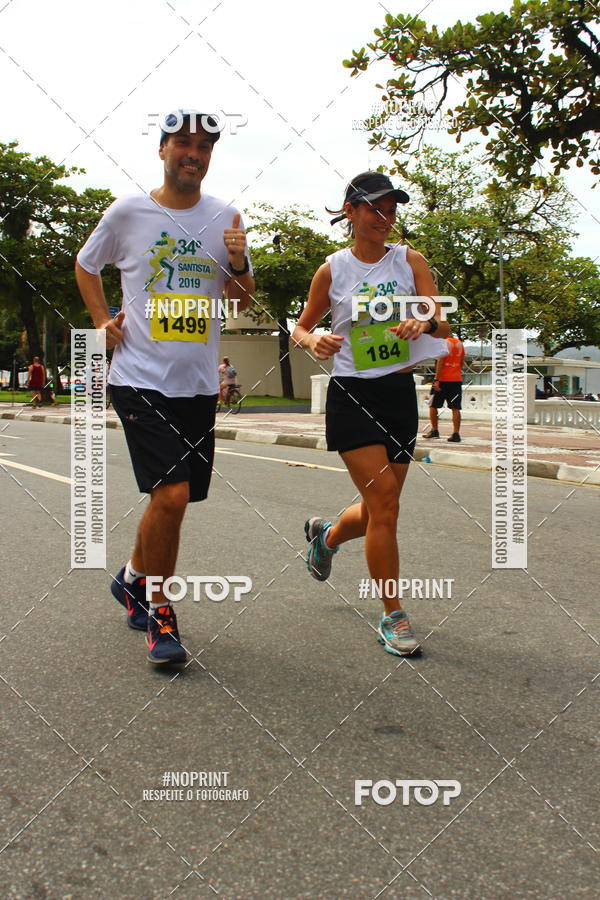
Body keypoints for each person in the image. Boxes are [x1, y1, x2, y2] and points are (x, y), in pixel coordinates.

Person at [75, 108, 254, 665]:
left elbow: (240, 299)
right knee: (172, 494)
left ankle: (131, 577)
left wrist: (239, 260)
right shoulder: (129, 212)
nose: (193, 154)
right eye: (183, 143)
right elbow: (86, 264)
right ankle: (160, 612)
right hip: (139, 378)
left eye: (204, 146)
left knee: (170, 499)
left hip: (197, 386)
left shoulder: (226, 216)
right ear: (162, 150)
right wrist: (101, 319)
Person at [292, 171, 450, 657]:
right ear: (351, 211)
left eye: (392, 210)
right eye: (375, 209)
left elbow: (441, 318)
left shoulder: (409, 260)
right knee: (385, 505)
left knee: (383, 505)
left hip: (397, 393)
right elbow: (300, 327)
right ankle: (393, 616)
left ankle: (327, 536)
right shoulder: (332, 269)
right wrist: (314, 340)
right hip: (353, 395)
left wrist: (423, 320)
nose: (385, 218)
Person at [424, 334, 465, 442]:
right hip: (456, 380)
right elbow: (461, 362)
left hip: (442, 380)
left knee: (433, 405)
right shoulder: (460, 344)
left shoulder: (443, 343)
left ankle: (434, 430)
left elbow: (440, 361)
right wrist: (455, 372)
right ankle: (456, 433)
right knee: (455, 408)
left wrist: (436, 379)